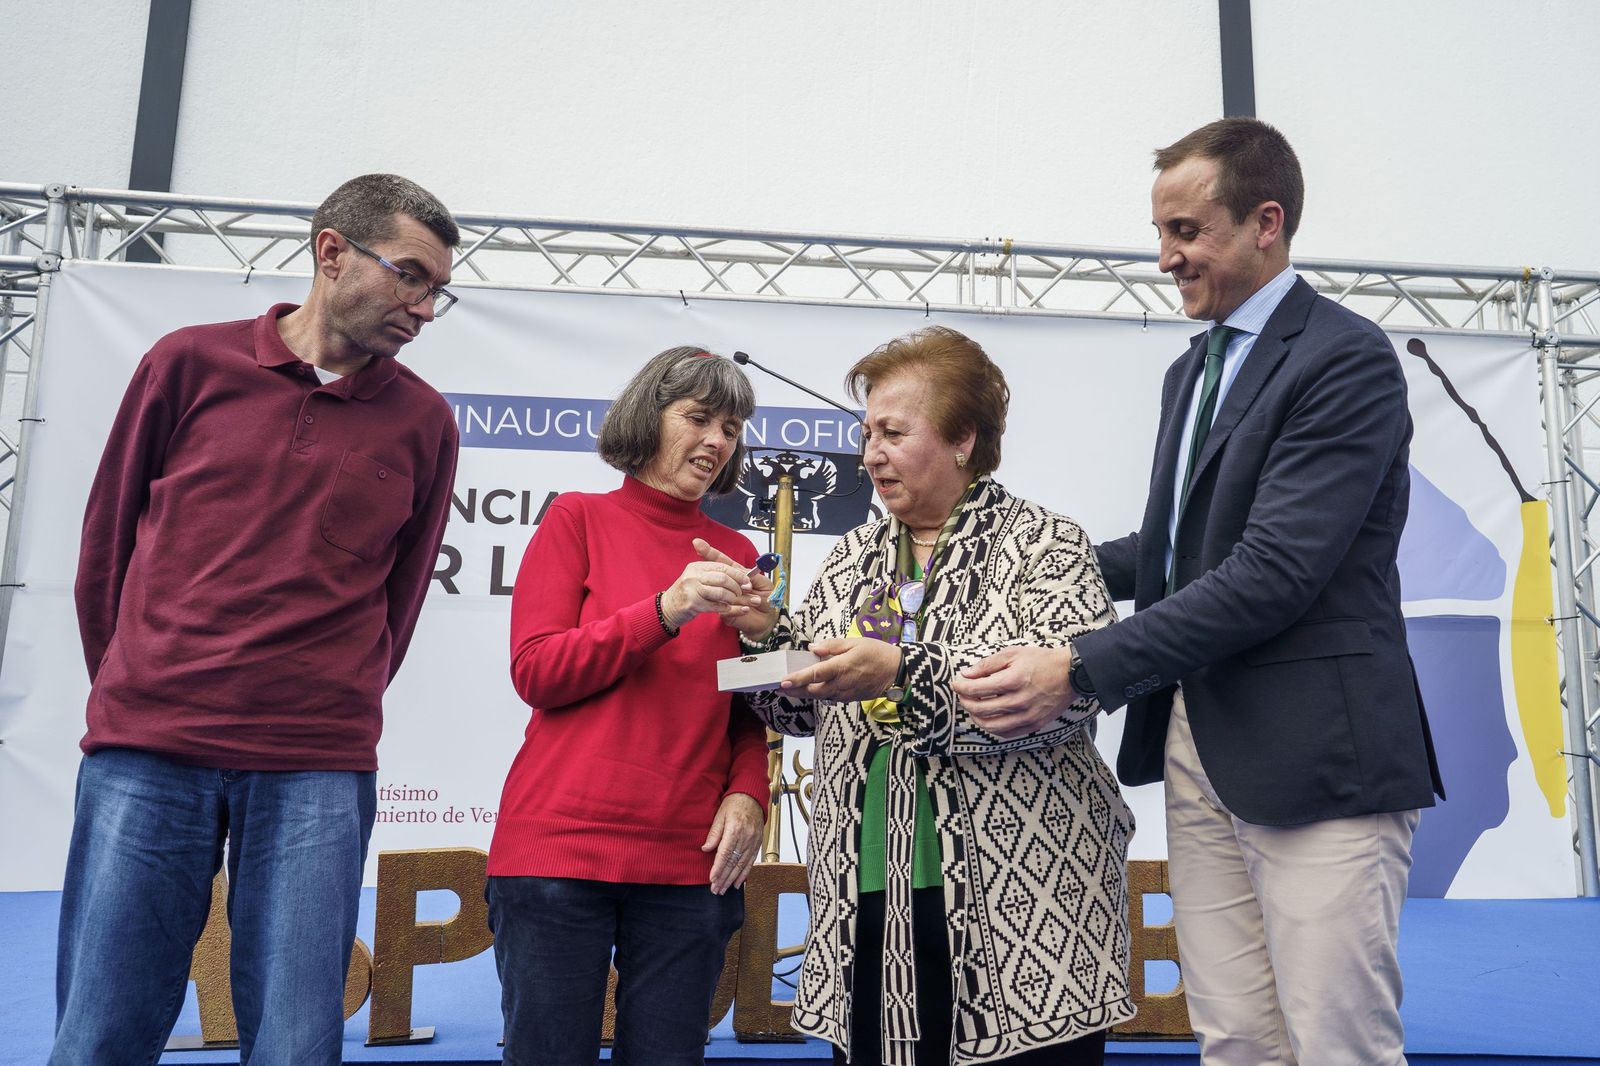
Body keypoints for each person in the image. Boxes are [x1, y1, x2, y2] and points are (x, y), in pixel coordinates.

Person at [956, 118, 1446, 1066]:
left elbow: (1273, 571)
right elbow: (1173, 548)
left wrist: (1082, 668)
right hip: (1201, 745)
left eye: (1187, 232)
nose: (1166, 257)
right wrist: (1014, 562)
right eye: (1161, 233)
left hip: (1318, 764)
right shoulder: (1196, 368)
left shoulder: (1344, 358)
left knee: (1336, 1041)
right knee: (1236, 1039)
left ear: (1267, 222)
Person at [52, 173, 462, 1065]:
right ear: (331, 252)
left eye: (439, 291)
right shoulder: (186, 363)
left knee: (296, 1042)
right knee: (100, 1031)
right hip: (148, 750)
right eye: (411, 278)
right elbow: (105, 552)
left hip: (315, 761)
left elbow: (401, 599)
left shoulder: (424, 422)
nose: (426, 309)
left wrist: (324, 699)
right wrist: (137, 689)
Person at [727, 326, 1134, 1066]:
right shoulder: (857, 559)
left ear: (962, 440)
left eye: (892, 432)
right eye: (866, 433)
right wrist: (765, 641)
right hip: (867, 894)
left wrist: (901, 671)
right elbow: (801, 712)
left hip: (1023, 911)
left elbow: (1066, 700)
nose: (870, 454)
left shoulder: (1046, 545)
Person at [486, 346, 771, 1066]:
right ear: (650, 416)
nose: (715, 441)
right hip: (558, 855)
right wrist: (664, 610)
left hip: (690, 866)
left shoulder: (738, 551)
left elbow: (746, 707)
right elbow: (538, 671)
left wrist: (749, 793)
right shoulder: (577, 520)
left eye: (731, 428)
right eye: (699, 418)